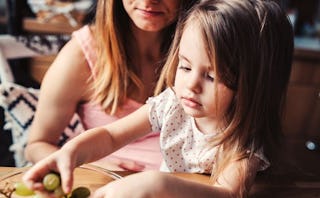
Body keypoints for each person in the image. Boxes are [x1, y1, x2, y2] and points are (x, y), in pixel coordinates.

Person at [23, 0, 294, 197]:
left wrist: (157, 184)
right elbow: (110, 136)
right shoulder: (173, 104)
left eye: (211, 76)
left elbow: (228, 194)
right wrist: (72, 153)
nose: (191, 85)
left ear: (252, 85)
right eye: (185, 67)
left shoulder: (242, 138)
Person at [24, 0, 198, 171]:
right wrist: (89, 167)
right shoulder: (82, 54)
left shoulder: (204, 52)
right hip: (107, 185)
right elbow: (36, 146)